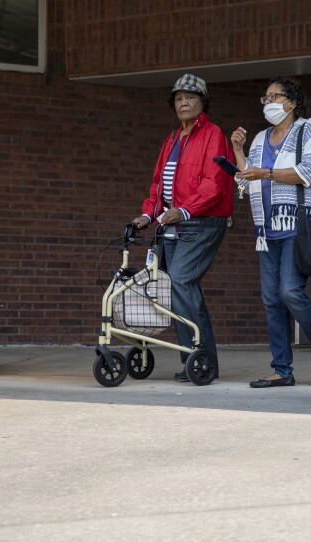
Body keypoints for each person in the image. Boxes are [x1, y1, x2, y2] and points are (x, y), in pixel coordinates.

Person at [230, 76, 311, 388]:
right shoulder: (261, 138)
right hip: (267, 230)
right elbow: (247, 180)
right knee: (271, 301)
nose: (269, 102)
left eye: (275, 96)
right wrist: (238, 151)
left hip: (297, 225)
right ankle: (281, 369)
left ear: (292, 101)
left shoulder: (310, 128)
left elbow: (310, 171)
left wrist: (265, 172)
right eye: (265, 98)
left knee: (289, 292)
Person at [131, 74, 234, 382]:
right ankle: (197, 359)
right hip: (176, 224)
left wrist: (186, 210)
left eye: (190, 96)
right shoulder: (173, 139)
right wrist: (148, 215)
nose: (184, 102)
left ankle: (200, 359)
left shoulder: (213, 134)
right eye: (178, 98)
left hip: (203, 222)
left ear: (203, 102)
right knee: (176, 286)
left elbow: (214, 183)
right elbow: (159, 184)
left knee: (180, 281)